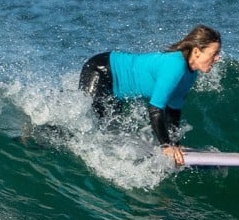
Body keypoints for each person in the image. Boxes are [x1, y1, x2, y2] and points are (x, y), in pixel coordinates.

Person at [79, 25, 222, 166]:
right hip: (101, 70)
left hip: (114, 85)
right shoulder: (175, 65)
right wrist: (166, 146)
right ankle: (65, 137)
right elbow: (155, 108)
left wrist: (175, 144)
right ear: (196, 52)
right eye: (214, 53)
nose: (217, 58)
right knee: (92, 123)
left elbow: (173, 110)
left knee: (111, 130)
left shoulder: (191, 73)